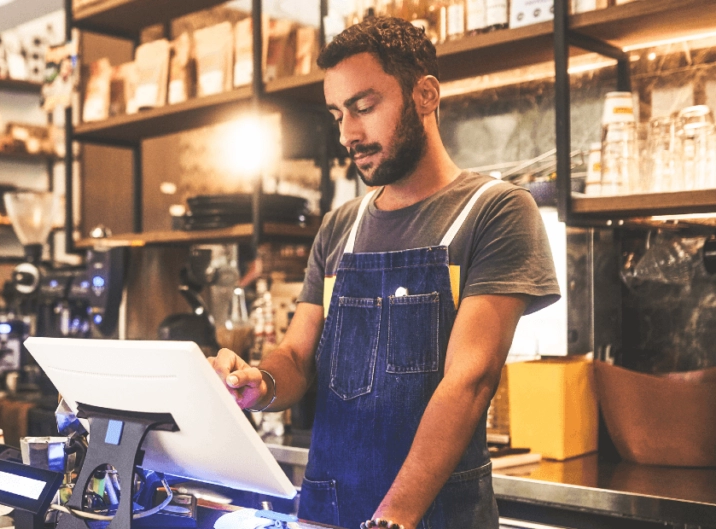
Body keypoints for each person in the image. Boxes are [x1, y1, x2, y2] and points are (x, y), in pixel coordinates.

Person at [209, 16, 560, 529]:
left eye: (364, 107)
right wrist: (259, 383)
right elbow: (297, 356)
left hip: (432, 515)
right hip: (328, 509)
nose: (349, 133)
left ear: (425, 95)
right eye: (337, 115)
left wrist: (395, 515)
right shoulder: (340, 227)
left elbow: (469, 381)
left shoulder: (496, 211)